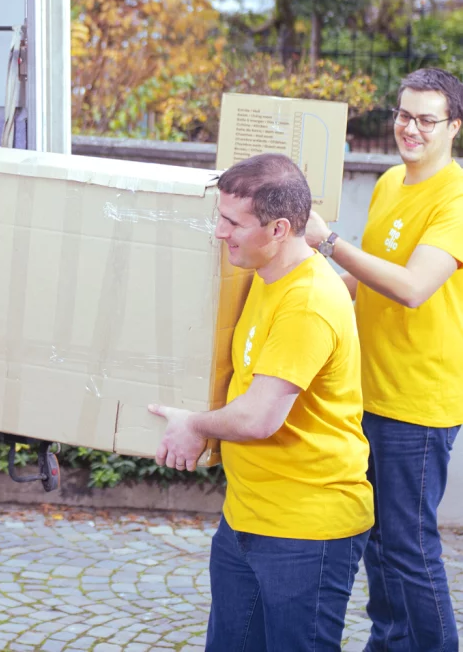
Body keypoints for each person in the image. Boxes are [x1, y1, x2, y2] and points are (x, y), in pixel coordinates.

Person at [150, 153, 374, 651]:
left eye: (232, 222)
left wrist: (194, 424)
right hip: (246, 518)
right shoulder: (264, 275)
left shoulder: (308, 302)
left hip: (305, 531)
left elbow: (259, 416)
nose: (218, 233)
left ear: (278, 230)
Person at [306, 67, 463, 652]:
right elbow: (367, 281)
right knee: (378, 540)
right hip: (368, 391)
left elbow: (413, 286)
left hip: (418, 401)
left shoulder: (456, 198)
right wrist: (307, 282)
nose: (410, 128)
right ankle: (393, 640)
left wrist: (328, 240)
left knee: (408, 545)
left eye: (427, 119)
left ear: (454, 128)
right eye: (403, 115)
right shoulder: (391, 181)